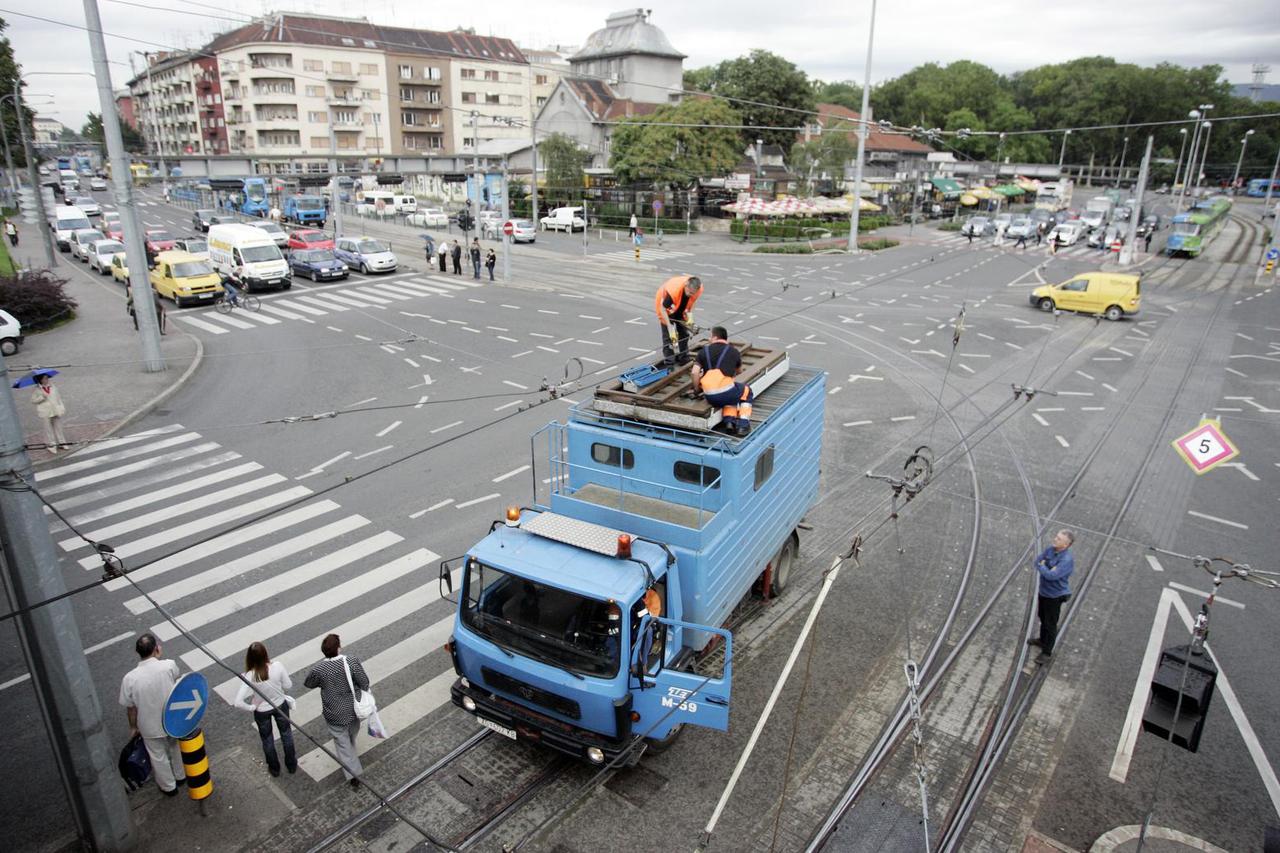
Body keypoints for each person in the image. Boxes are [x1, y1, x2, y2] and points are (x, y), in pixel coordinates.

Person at [118, 633, 185, 795]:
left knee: (157, 756)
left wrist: (133, 727)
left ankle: (169, 787)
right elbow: (176, 677)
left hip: (148, 725)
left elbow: (130, 708)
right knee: (176, 746)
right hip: (170, 719)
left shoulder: (130, 679)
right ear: (156, 648)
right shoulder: (168, 665)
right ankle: (181, 775)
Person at [304, 634, 369, 788]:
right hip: (353, 708)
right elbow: (364, 682)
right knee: (351, 736)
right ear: (339, 647)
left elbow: (309, 683)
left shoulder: (319, 669)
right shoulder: (351, 661)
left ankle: (354, 775)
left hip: (333, 711)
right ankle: (352, 761)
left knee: (343, 744)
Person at [234, 642, 297, 777]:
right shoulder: (277, 666)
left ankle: (275, 769)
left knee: (267, 739)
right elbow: (288, 685)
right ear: (265, 654)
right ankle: (291, 765)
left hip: (262, 711)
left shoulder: (250, 675)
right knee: (286, 734)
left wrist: (252, 706)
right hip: (280, 705)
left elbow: (237, 702)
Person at [690, 326, 754, 436]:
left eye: (710, 337)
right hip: (727, 393)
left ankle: (729, 422)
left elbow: (694, 372)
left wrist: (696, 390)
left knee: (731, 396)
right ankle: (743, 425)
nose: (709, 340)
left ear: (714, 337)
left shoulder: (704, 351)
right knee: (745, 391)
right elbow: (739, 371)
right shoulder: (733, 351)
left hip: (710, 396)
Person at [1029, 530, 1075, 665]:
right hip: (1044, 592)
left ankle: (1047, 652)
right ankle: (1042, 640)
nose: (1055, 539)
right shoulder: (1050, 549)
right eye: (1056, 537)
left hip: (1055, 596)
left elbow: (1051, 576)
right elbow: (1037, 561)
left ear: (1066, 545)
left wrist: (1044, 567)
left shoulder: (1066, 560)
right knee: (1042, 617)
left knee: (1050, 624)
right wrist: (1046, 568)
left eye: (1059, 539)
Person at [654, 275, 702, 367]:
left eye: (693, 293)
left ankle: (684, 358)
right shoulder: (673, 292)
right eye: (690, 292)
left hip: (680, 308)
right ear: (686, 286)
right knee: (669, 337)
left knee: (684, 334)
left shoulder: (697, 290)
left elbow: (692, 302)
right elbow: (663, 309)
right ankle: (669, 362)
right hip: (665, 309)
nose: (691, 295)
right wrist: (669, 326)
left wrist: (690, 319)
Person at [30, 372, 69, 453]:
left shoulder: (52, 387)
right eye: (45, 378)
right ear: (40, 380)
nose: (47, 379)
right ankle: (52, 445)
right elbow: (33, 401)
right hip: (45, 412)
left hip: (55, 410)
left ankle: (62, 443)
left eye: (47, 378)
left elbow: (58, 398)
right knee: (48, 429)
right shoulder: (37, 389)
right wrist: (42, 397)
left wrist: (61, 407)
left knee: (58, 427)